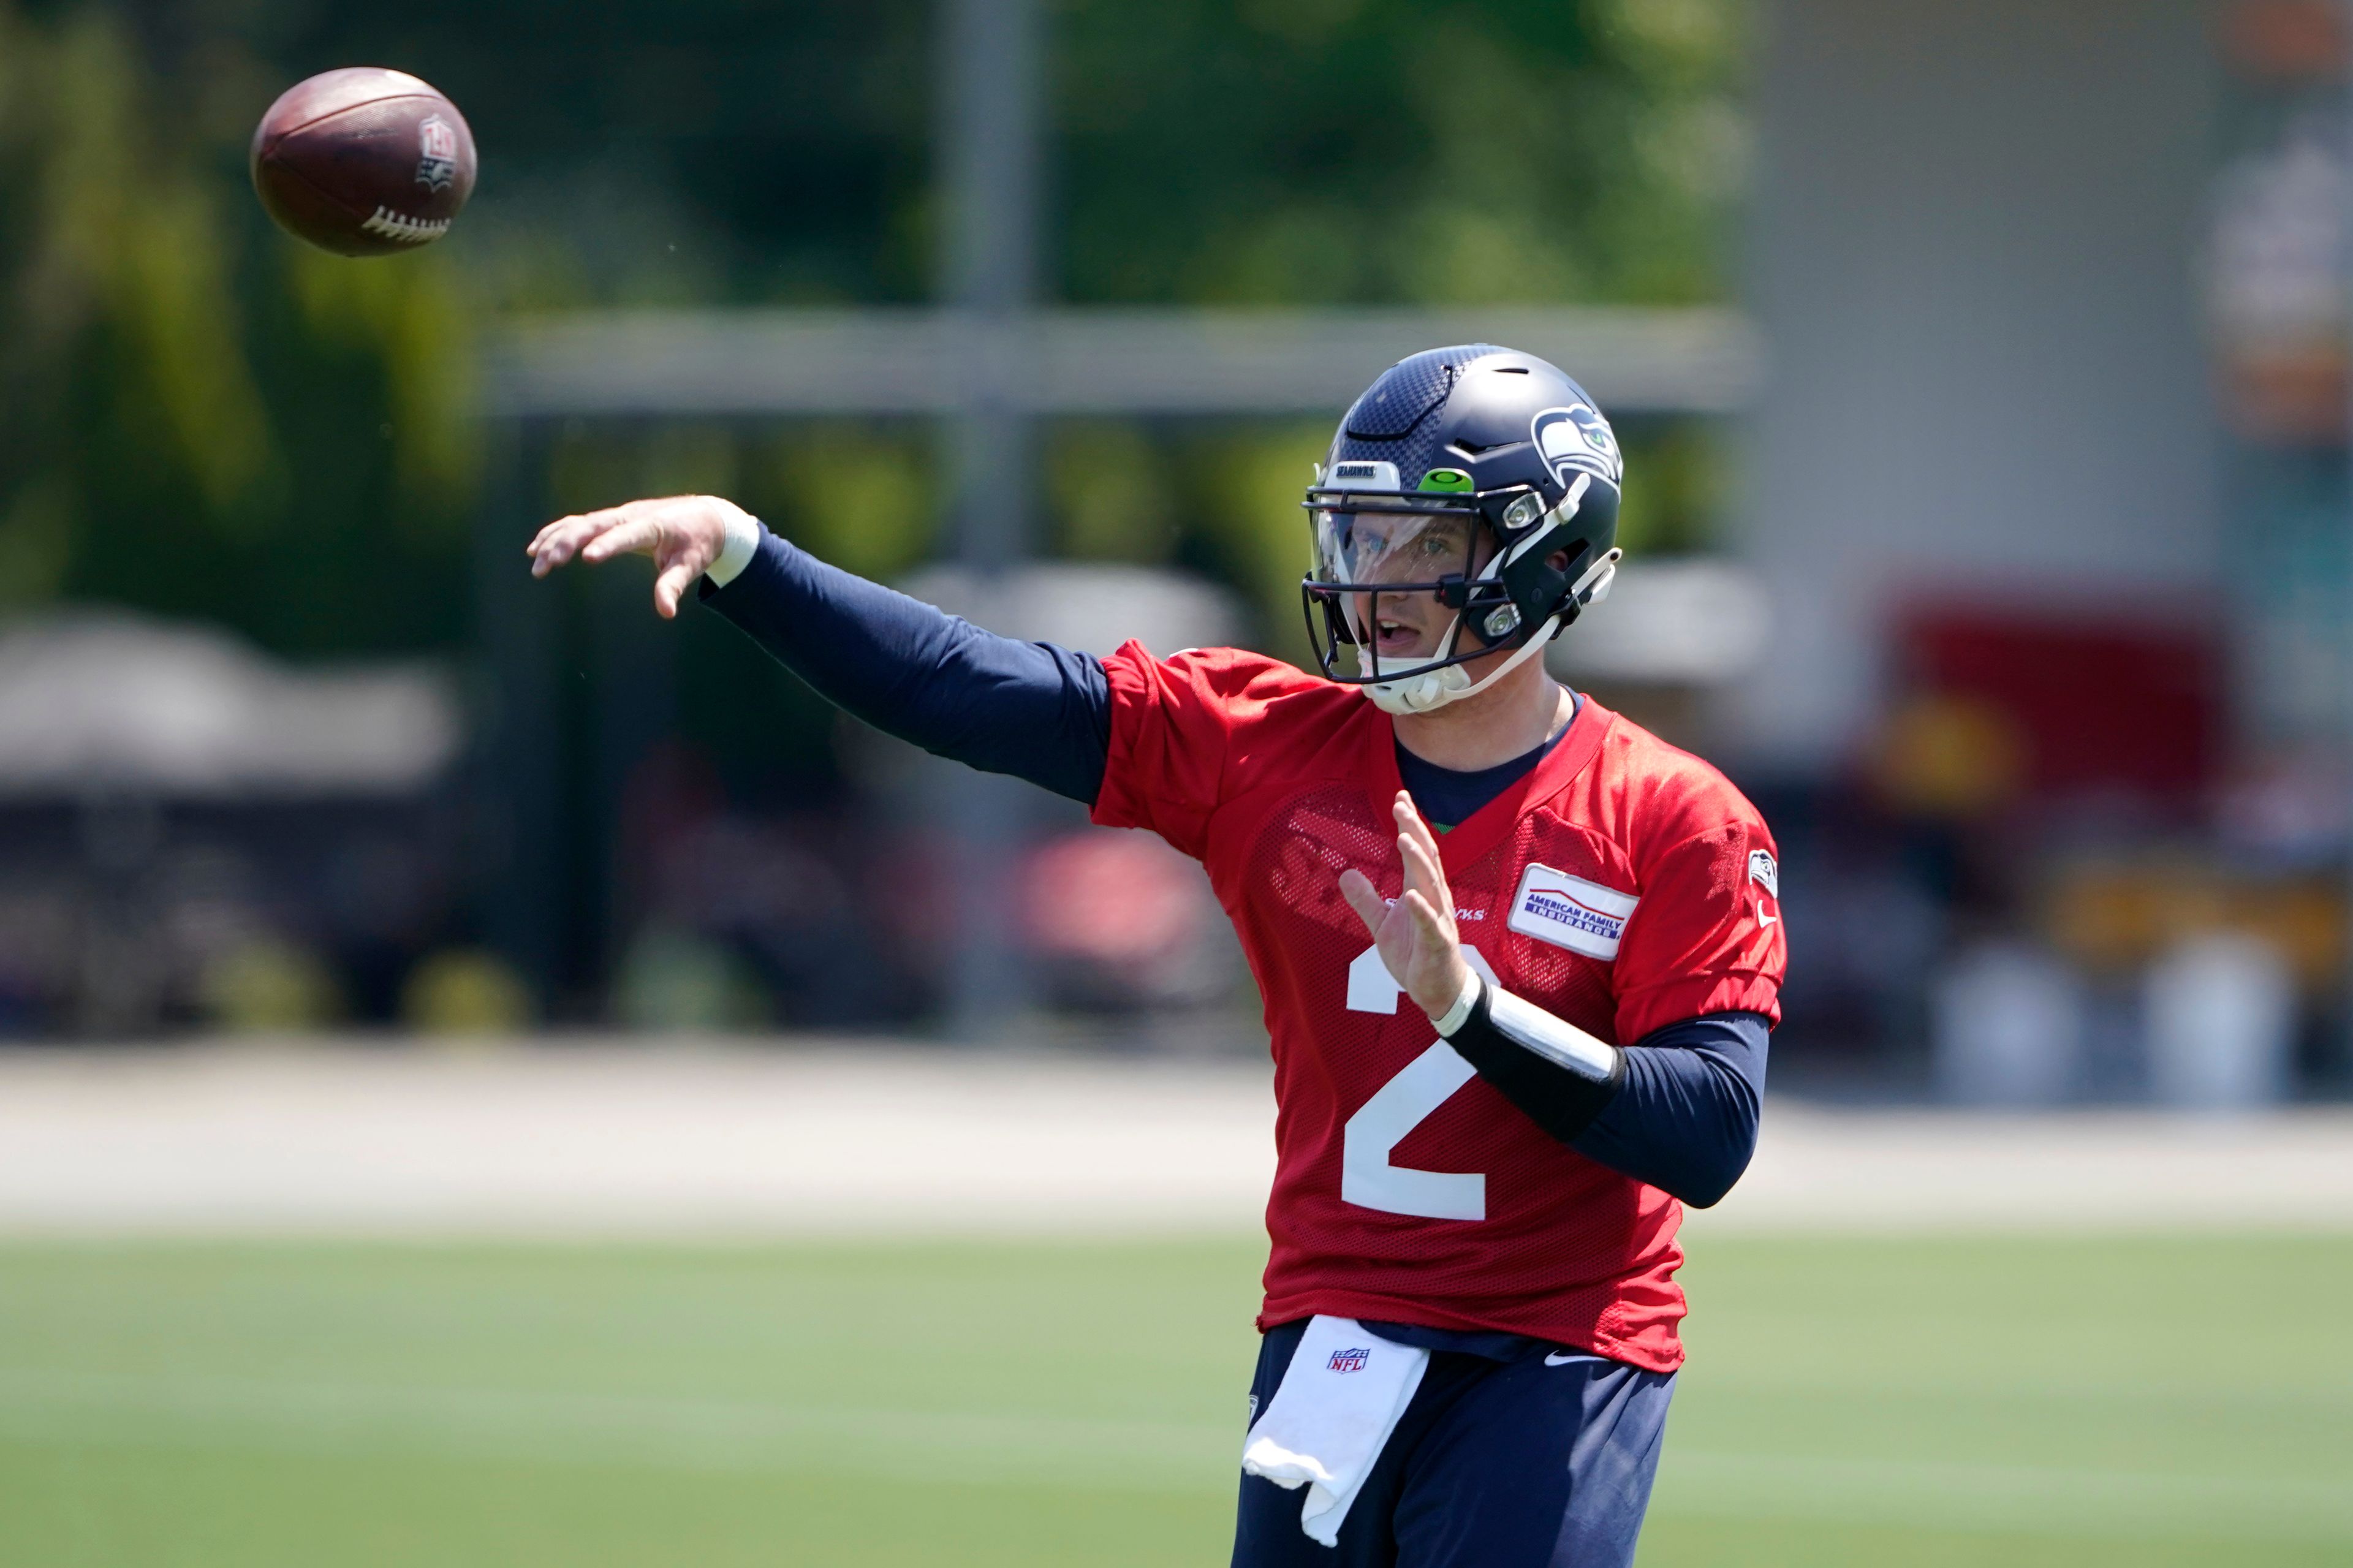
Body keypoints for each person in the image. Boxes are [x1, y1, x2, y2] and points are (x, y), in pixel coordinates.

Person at [527, 344, 1786, 1567]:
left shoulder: (1675, 818)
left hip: (1555, 1347)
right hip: (1332, 1328)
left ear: (1541, 558)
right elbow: (971, 687)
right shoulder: (1261, 745)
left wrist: (1472, 1008)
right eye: (1364, 533)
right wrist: (747, 556)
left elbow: (1709, 1128)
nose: (1379, 577)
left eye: (1427, 543)